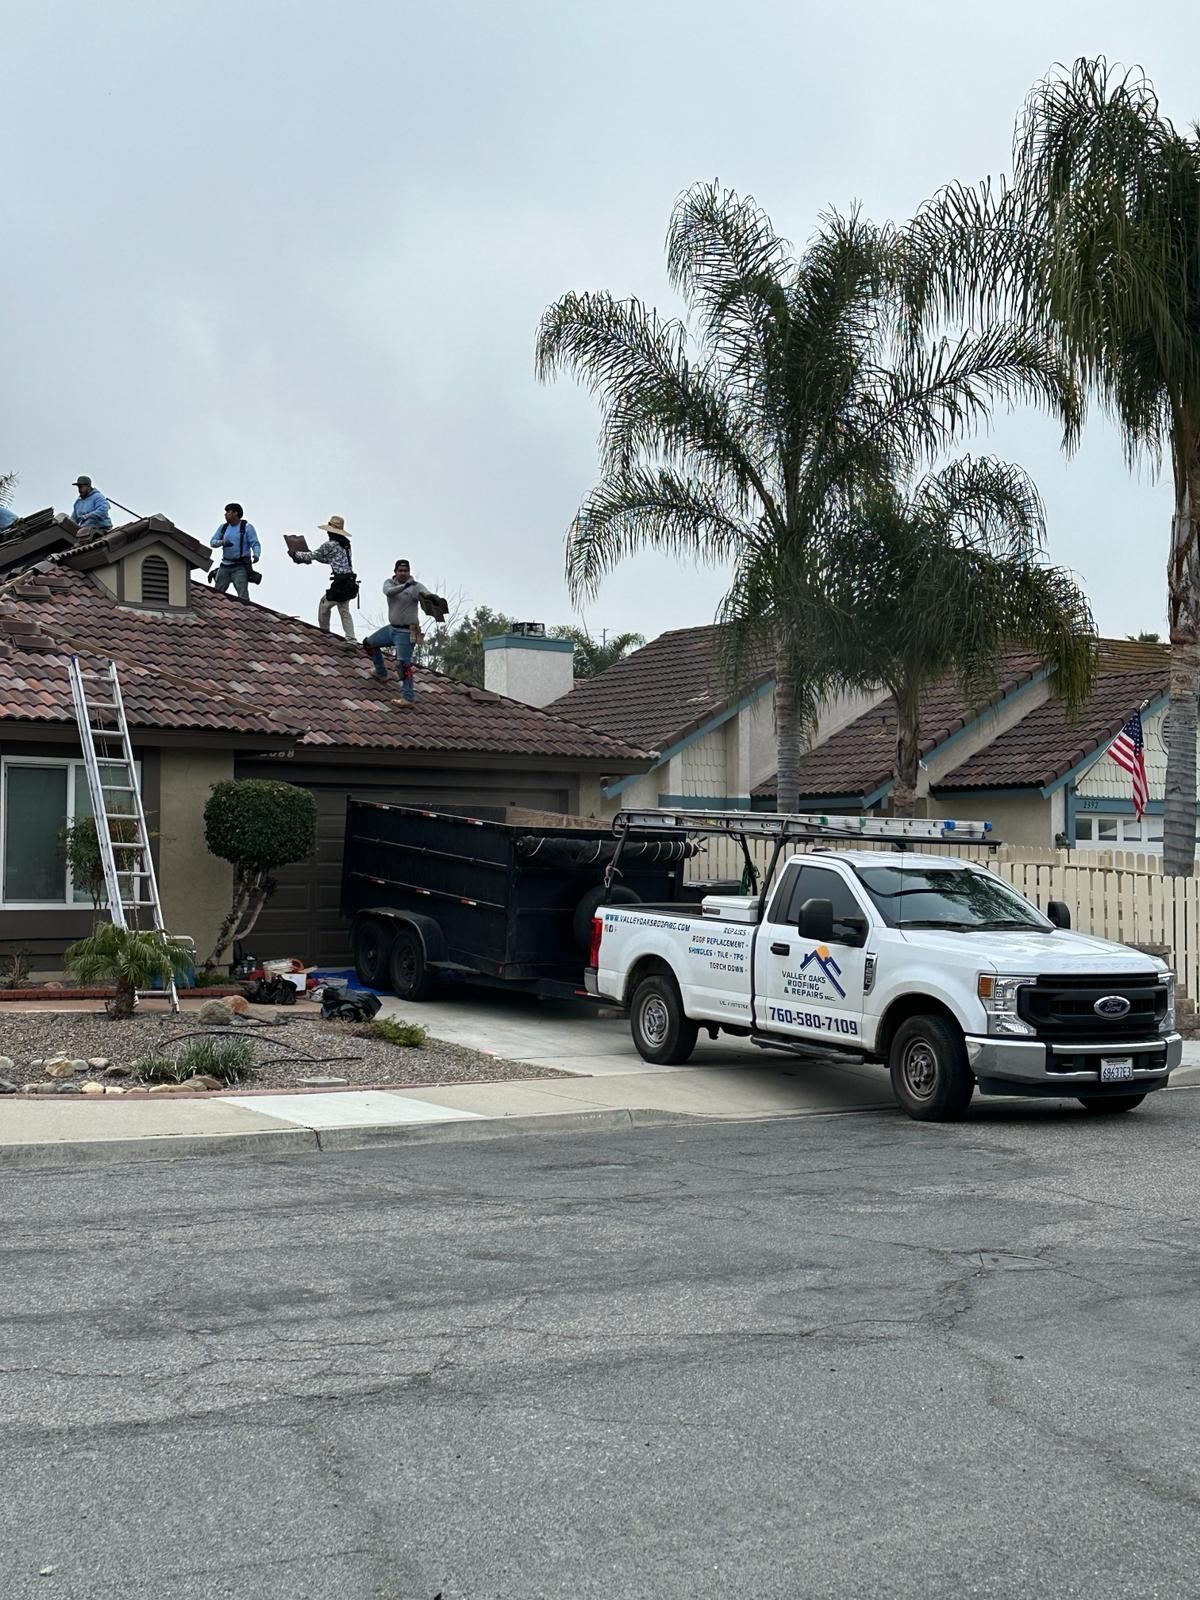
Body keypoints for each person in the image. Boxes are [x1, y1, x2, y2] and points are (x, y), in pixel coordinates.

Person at [363, 559, 429, 701]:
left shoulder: (416, 587)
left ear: (409, 572)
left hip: (407, 632)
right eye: (400, 571)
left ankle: (407, 697)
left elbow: (426, 595)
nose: (403, 573)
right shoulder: (390, 583)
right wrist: (405, 586)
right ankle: (381, 672)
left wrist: (433, 600)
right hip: (392, 629)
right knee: (369, 643)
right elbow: (388, 592)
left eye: (406, 571)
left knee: (403, 665)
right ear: (395, 572)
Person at [290, 515, 358, 640]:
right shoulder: (346, 545)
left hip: (341, 582)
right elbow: (330, 560)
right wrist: (311, 555)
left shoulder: (330, 545)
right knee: (343, 609)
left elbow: (313, 555)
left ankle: (325, 633)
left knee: (324, 606)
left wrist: (296, 554)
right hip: (349, 581)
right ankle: (350, 637)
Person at [209, 502, 261, 601]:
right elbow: (212, 542)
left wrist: (256, 554)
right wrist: (223, 542)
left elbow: (255, 543)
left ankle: (245, 614)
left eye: (228, 512)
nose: (225, 514)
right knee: (216, 595)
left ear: (235, 513)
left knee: (243, 596)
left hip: (239, 567)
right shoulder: (223, 528)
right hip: (225, 565)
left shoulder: (246, 527)